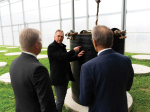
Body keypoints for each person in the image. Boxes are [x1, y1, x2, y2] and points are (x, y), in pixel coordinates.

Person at [79, 25, 134, 112]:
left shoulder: (87, 67)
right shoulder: (126, 60)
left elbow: (84, 100)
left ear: (94, 42)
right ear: (111, 41)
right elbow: (127, 86)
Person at [10, 28, 57, 112]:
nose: (41, 43)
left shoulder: (14, 62)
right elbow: (47, 105)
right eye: (40, 41)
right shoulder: (38, 69)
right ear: (36, 45)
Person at [47, 29, 84, 112]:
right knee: (60, 100)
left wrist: (77, 56)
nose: (60, 38)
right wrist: (73, 51)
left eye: (62, 36)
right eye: (58, 36)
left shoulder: (62, 47)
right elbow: (61, 57)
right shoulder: (51, 47)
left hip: (64, 76)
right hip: (58, 77)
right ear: (54, 37)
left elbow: (67, 58)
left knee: (61, 98)